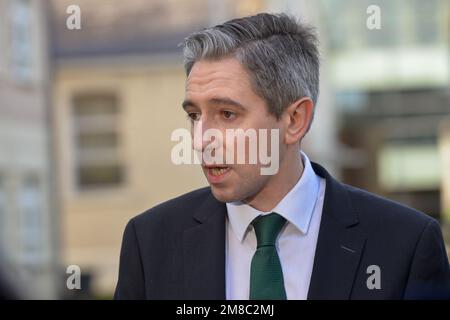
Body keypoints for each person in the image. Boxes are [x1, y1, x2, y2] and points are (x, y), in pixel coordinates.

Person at [114, 13, 450, 299]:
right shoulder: (150, 244)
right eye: (194, 116)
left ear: (294, 120)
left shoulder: (406, 245)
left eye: (227, 114)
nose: (201, 141)